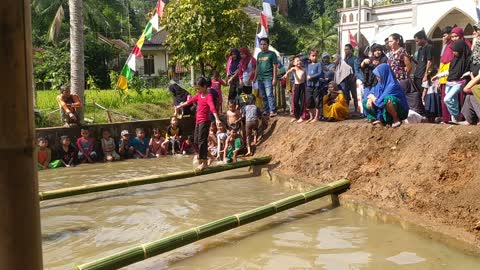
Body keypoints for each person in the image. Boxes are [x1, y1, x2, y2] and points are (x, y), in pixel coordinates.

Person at [175, 77, 222, 170]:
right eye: (196, 89)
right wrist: (180, 105)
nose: (197, 90)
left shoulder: (208, 96)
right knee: (195, 141)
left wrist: (217, 119)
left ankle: (204, 162)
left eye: (199, 88)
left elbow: (212, 108)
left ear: (204, 86)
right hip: (198, 121)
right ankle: (211, 157)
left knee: (202, 141)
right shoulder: (199, 95)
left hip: (205, 121)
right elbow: (190, 101)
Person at [431, 40, 472, 123]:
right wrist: (438, 76)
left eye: (455, 50)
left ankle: (457, 116)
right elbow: (450, 71)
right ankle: (455, 120)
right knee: (453, 101)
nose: (453, 52)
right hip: (450, 82)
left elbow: (471, 70)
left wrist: (465, 74)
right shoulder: (455, 60)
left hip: (460, 82)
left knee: (447, 99)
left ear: (460, 49)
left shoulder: (468, 59)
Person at [365, 63, 409, 127]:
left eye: (378, 75)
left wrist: (372, 97)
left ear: (384, 74)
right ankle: (375, 119)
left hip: (400, 111)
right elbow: (372, 91)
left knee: (388, 99)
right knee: (366, 101)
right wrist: (370, 98)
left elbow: (379, 103)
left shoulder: (393, 85)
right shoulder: (381, 84)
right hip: (385, 111)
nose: (377, 78)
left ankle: (396, 119)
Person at [254, 37, 278, 117]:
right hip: (260, 78)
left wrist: (274, 78)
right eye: (261, 44)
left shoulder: (272, 54)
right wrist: (255, 78)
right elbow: (257, 66)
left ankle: (273, 110)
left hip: (268, 77)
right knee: (263, 95)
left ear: (268, 45)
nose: (262, 46)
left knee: (269, 94)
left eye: (264, 44)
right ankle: (266, 110)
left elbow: (275, 66)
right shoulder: (259, 54)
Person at [411, 30, 432, 115]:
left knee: (424, 95)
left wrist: (426, 75)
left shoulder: (429, 47)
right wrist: (412, 59)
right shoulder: (420, 50)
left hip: (423, 75)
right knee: (418, 95)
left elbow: (429, 62)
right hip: (417, 75)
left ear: (423, 39)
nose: (416, 43)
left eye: (417, 41)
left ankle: (427, 113)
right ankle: (420, 112)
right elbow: (420, 63)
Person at [283, 56, 307, 123]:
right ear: (294, 63)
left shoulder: (303, 70)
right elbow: (289, 71)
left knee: (302, 102)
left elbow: (305, 79)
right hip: (296, 86)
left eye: (299, 60)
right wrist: (285, 75)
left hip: (302, 86)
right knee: (295, 102)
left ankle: (302, 116)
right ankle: (296, 116)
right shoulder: (293, 68)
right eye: (297, 61)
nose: (299, 62)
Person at [439, 26, 454, 123]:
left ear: (449, 35)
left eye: (444, 35)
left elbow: (451, 62)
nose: (443, 38)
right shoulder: (446, 46)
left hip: (450, 76)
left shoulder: (454, 45)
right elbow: (442, 62)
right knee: (444, 99)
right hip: (443, 76)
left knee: (450, 99)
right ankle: (445, 118)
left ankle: (452, 119)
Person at [305, 49, 325, 123]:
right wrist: (307, 57)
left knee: (317, 101)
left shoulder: (319, 64)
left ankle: (316, 117)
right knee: (309, 101)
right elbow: (301, 59)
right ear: (309, 56)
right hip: (309, 85)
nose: (314, 57)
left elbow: (319, 73)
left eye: (316, 56)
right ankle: (311, 116)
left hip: (316, 85)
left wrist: (311, 77)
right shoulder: (308, 65)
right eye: (312, 56)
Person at [344, 44, 360, 111]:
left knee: (355, 95)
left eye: (347, 49)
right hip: (346, 79)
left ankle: (357, 109)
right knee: (346, 95)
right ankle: (346, 110)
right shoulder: (344, 59)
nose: (346, 51)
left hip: (353, 79)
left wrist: (354, 78)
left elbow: (356, 70)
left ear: (351, 50)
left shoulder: (355, 58)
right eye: (345, 49)